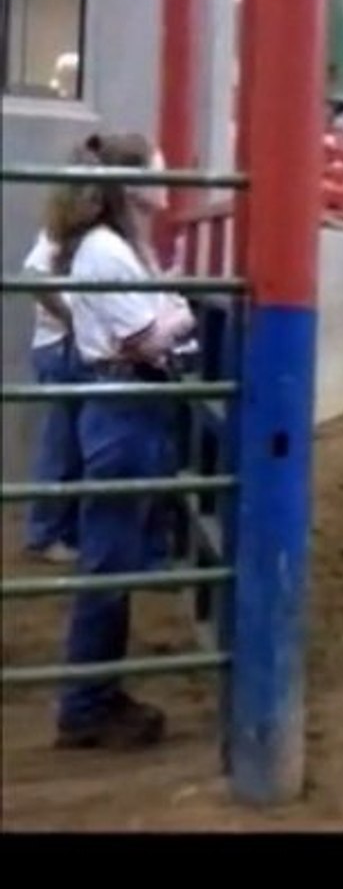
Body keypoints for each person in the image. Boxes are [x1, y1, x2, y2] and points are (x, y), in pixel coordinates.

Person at [48, 132, 196, 750]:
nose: (167, 180)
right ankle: (86, 703)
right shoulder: (108, 252)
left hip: (125, 404)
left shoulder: (113, 248)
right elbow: (149, 338)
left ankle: (96, 695)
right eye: (157, 171)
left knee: (112, 561)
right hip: (124, 403)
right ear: (130, 185)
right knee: (107, 565)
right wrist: (183, 312)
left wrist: (168, 310)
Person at [19, 226, 81, 562]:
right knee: (59, 445)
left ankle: (57, 531)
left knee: (67, 445)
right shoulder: (60, 230)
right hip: (59, 346)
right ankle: (45, 534)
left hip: (63, 345)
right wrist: (72, 318)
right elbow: (33, 274)